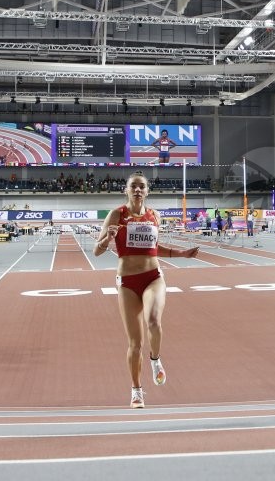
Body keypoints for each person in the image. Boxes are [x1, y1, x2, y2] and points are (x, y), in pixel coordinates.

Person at [94, 171, 199, 408]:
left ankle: (155, 360)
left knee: (154, 321)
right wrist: (107, 239)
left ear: (148, 191)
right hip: (127, 282)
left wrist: (180, 254)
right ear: (127, 190)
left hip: (153, 277)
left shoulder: (155, 216)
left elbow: (153, 248)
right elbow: (97, 251)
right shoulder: (116, 214)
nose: (138, 190)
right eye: (134, 187)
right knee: (135, 343)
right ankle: (136, 391)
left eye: (142, 187)